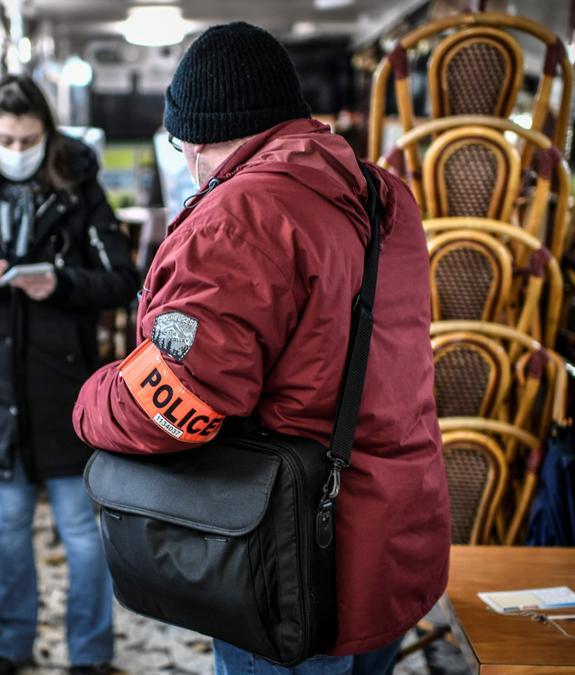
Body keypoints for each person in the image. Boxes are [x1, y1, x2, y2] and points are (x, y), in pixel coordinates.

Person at [73, 22, 451, 675]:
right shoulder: (380, 192)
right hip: (392, 539)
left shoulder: (242, 216)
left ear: (193, 138)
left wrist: (91, 400)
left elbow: (177, 398)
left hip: (293, 559)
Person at [0, 75, 139, 675]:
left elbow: (124, 280)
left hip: (65, 389)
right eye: (5, 139)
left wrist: (61, 282)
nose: (17, 148)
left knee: (80, 528)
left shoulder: (78, 187)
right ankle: (9, 645)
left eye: (28, 137)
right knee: (10, 525)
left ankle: (90, 654)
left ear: (48, 133)